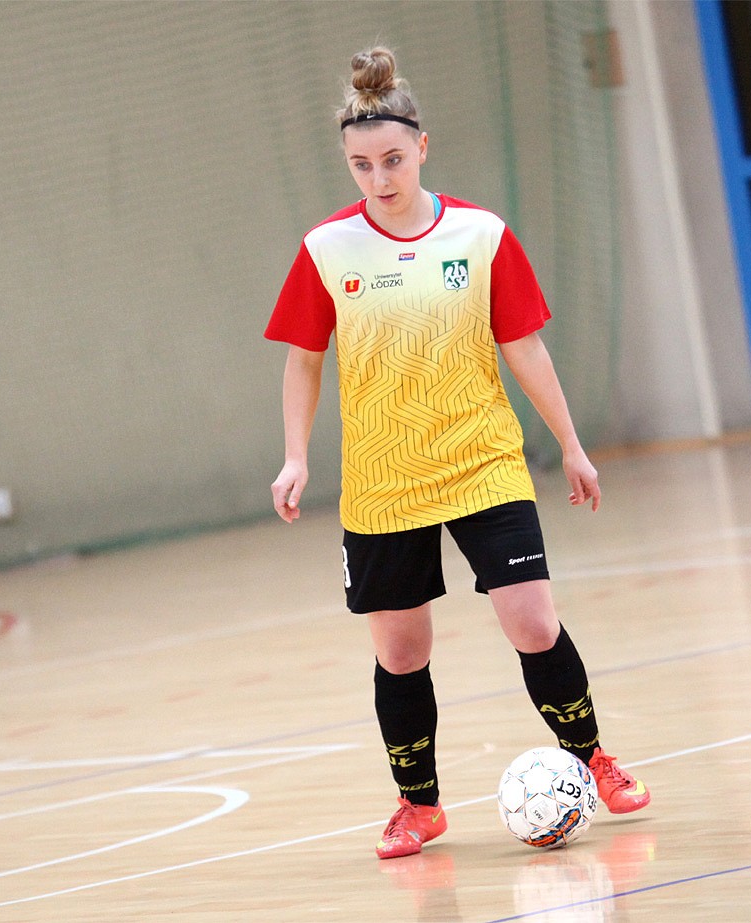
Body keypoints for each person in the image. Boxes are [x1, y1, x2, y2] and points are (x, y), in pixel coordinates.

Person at [265, 46, 650, 860]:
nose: (379, 177)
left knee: (533, 621)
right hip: (383, 479)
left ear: (422, 147)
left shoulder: (480, 234)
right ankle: (419, 805)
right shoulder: (327, 248)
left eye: (393, 159)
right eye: (361, 164)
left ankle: (593, 759)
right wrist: (295, 456)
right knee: (402, 652)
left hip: (482, 461)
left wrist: (571, 445)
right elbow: (303, 358)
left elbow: (525, 346)